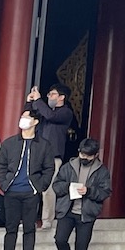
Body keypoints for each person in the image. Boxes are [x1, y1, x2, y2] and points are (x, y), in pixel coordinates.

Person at [0, 108, 55, 250]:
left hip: (31, 191)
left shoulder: (43, 145)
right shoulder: (9, 143)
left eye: (26, 117)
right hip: (11, 190)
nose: (22, 120)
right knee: (10, 227)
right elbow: (0, 165)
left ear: (35, 122)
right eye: (22, 117)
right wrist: (3, 184)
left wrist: (40, 186)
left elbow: (49, 168)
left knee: (29, 227)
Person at [52, 137, 111, 250]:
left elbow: (105, 192)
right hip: (67, 209)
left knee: (81, 245)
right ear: (79, 152)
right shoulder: (68, 167)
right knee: (60, 239)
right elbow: (56, 185)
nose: (84, 158)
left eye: (88, 156)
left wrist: (89, 191)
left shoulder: (101, 171)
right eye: (82, 155)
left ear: (95, 155)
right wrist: (68, 187)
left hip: (87, 213)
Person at [25, 84, 76, 228]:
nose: (49, 97)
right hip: (37, 153)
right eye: (48, 94)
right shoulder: (44, 110)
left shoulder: (65, 112)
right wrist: (30, 102)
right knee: (31, 187)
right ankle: (30, 219)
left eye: (52, 94)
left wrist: (39, 100)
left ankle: (47, 219)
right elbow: (28, 117)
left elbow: (50, 115)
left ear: (62, 97)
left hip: (53, 156)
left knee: (48, 189)